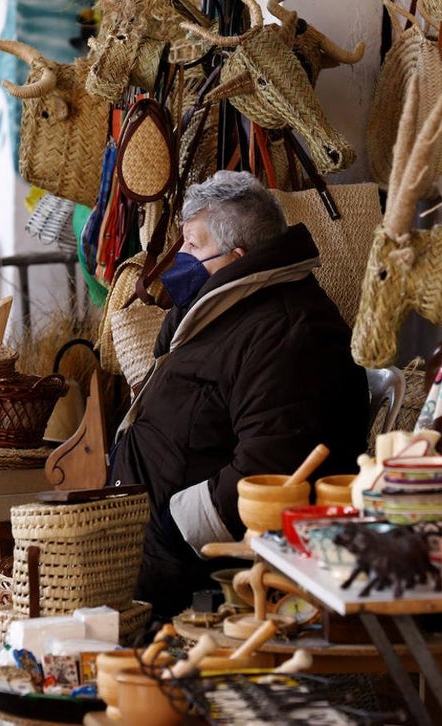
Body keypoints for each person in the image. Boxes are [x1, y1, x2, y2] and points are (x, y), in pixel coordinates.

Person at [110, 170, 371, 619]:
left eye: (193, 245)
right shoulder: (224, 310)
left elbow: (271, 467)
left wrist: (173, 527)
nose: (181, 258)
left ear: (239, 257)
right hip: (146, 544)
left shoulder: (292, 333)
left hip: (195, 571)